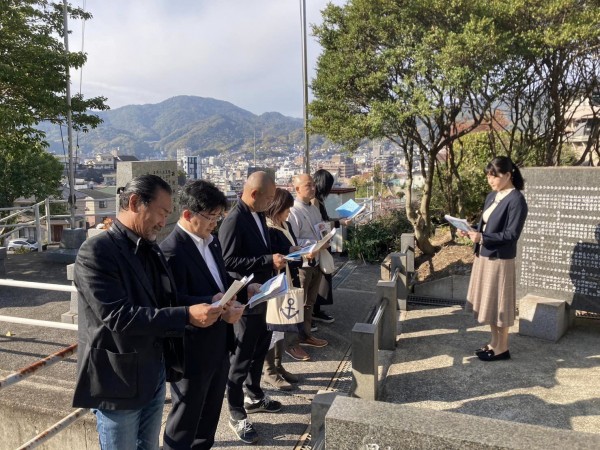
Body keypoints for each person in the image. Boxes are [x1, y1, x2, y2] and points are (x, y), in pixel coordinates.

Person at [72, 174, 223, 450]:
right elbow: (119, 316)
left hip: (153, 372)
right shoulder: (97, 251)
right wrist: (187, 315)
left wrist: (211, 301)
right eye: (161, 212)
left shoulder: (148, 248)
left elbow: (167, 300)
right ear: (134, 202)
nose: (163, 222)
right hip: (118, 380)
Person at [160, 180, 246, 450]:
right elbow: (170, 301)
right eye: (211, 217)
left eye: (218, 217)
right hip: (191, 349)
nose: (215, 223)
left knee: (209, 414)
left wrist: (238, 293)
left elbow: (219, 281)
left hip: (219, 341)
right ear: (188, 215)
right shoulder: (171, 251)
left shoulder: (213, 243)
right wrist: (209, 300)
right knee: (185, 416)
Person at [218, 171, 287, 444]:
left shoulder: (257, 214)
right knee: (240, 358)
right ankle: (236, 411)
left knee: (260, 349)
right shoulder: (234, 220)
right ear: (254, 194)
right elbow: (229, 261)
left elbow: (262, 247)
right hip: (245, 301)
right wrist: (267, 259)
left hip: (263, 295)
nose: (272, 202)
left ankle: (254, 394)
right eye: (269, 197)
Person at [464, 156, 528, 362]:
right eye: (489, 176)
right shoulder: (493, 196)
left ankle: (503, 347)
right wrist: (471, 232)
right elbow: (485, 227)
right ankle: (494, 342)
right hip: (484, 256)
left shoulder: (516, 200)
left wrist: (482, 237)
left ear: (509, 175)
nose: (491, 180)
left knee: (500, 305)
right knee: (490, 303)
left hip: (500, 260)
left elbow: (511, 235)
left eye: (495, 176)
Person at [265, 188, 313, 370]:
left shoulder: (287, 225)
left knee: (283, 326)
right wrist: (290, 252)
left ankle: (279, 365)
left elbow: (290, 247)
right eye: (286, 210)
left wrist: (296, 251)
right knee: (274, 326)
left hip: (289, 278)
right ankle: (270, 369)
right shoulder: (268, 228)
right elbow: (272, 255)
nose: (288, 214)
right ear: (276, 207)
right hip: (276, 281)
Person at [288, 174, 329, 349]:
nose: (313, 188)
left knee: (310, 302)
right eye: (308, 185)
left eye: (313, 185)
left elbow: (320, 229)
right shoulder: (293, 211)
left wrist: (325, 238)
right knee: (299, 302)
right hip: (303, 264)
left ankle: (306, 335)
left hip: (317, 260)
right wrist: (316, 244)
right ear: (297, 189)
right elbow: (293, 241)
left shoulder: (313, 208)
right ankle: (294, 341)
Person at [312, 169, 351, 325]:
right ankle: (315, 311)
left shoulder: (318, 200)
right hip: (319, 245)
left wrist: (338, 220)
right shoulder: (315, 201)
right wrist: (339, 222)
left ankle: (317, 310)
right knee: (320, 278)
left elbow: (323, 220)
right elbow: (319, 224)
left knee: (323, 277)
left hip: (323, 243)